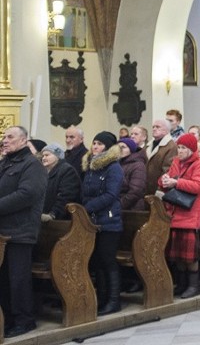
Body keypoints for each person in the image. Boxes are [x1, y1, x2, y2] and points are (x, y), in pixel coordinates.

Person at [0, 126, 47, 337]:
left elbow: (27, 194)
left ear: (23, 140)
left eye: (10, 137)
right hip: (4, 231)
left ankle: (24, 320)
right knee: (4, 279)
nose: (5, 140)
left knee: (17, 279)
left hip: (20, 230)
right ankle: (8, 319)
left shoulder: (32, 165)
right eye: (4, 137)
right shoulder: (6, 163)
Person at [159, 133, 200, 299]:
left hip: (189, 212)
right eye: (179, 147)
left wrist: (176, 182)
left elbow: (198, 186)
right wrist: (164, 180)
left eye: (183, 148)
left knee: (189, 255)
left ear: (191, 149)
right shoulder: (175, 162)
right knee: (177, 254)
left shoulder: (199, 163)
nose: (180, 151)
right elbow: (169, 181)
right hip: (174, 212)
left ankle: (194, 285)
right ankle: (181, 283)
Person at [81, 131, 124, 315]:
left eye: (99, 144)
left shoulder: (113, 167)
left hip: (108, 220)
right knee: (97, 260)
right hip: (92, 221)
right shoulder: (91, 167)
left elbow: (110, 194)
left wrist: (88, 207)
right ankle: (102, 298)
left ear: (107, 147)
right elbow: (86, 191)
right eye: (94, 143)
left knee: (107, 259)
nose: (95, 147)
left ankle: (114, 301)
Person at [39, 143, 81, 221]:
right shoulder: (43, 172)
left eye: (47, 155)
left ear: (57, 156)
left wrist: (53, 214)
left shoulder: (67, 171)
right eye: (43, 156)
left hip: (59, 220)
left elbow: (66, 196)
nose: (43, 158)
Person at [146, 119, 178, 195]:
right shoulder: (148, 145)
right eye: (153, 127)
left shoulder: (171, 146)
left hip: (158, 189)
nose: (154, 129)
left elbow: (168, 169)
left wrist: (160, 189)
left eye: (158, 127)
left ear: (166, 130)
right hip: (145, 187)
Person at [117, 138, 146, 211]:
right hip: (118, 207)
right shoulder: (117, 164)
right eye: (118, 147)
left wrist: (119, 205)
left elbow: (135, 191)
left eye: (123, 147)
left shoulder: (138, 165)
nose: (119, 150)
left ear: (131, 149)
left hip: (132, 209)